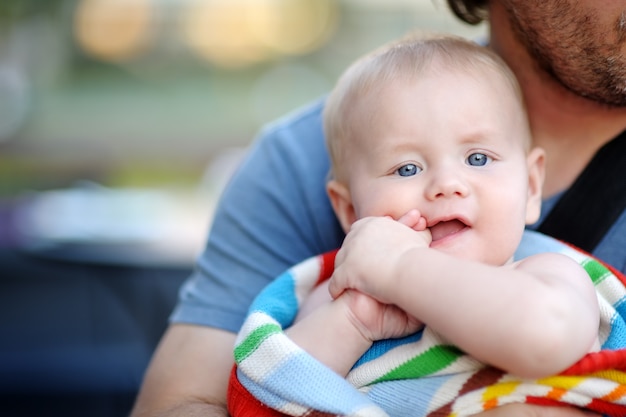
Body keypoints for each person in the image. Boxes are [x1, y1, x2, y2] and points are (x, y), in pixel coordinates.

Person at [130, 1, 626, 416]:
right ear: (348, 211)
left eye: (478, 159)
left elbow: (543, 336)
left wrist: (402, 267)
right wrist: (354, 323)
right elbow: (263, 392)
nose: (447, 185)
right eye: (407, 169)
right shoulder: (339, 287)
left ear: (530, 185)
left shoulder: (548, 274)